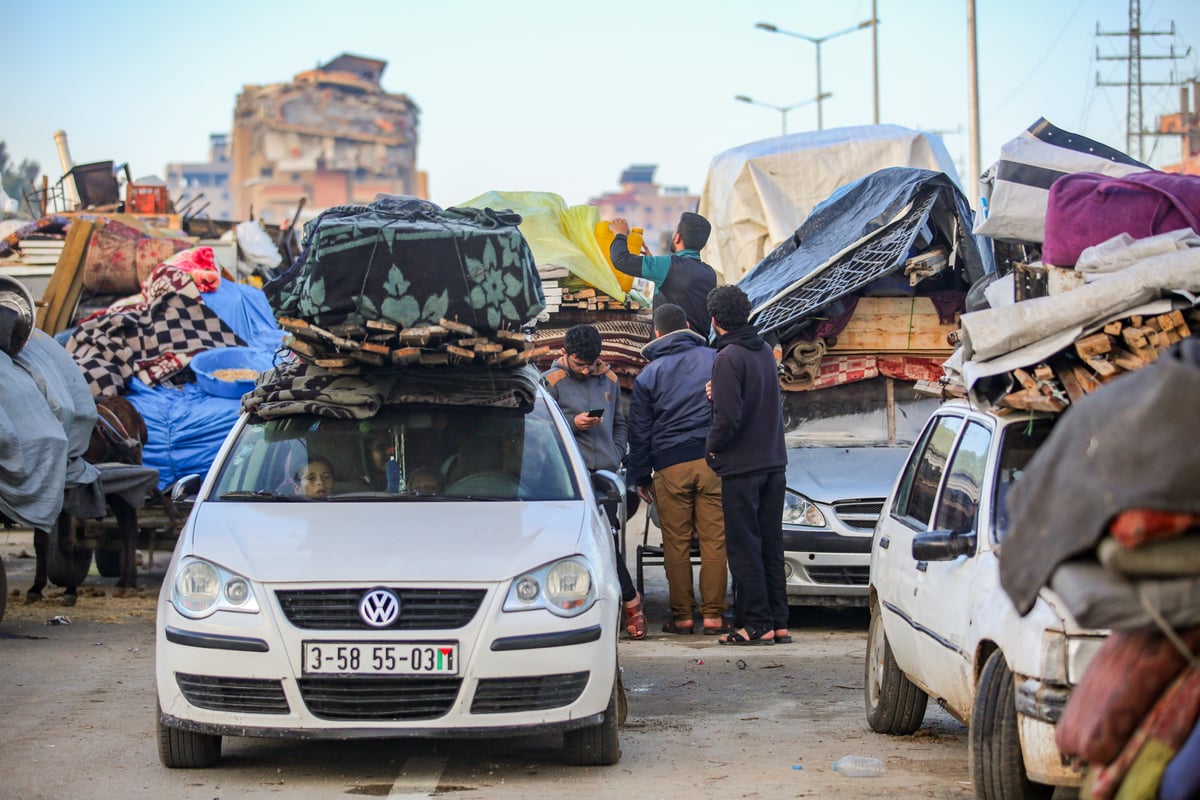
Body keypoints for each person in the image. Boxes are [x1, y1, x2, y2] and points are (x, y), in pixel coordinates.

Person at [627, 303, 728, 635]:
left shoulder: (648, 375)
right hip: (713, 461)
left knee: (676, 542)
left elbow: (639, 432)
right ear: (686, 324)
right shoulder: (714, 358)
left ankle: (682, 616)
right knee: (715, 540)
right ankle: (714, 616)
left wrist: (640, 477)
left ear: (656, 333)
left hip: (670, 466)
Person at [542, 324, 644, 639]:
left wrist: (615, 453)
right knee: (575, 544)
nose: (586, 370)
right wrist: (573, 423)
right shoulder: (549, 383)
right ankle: (628, 600)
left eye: (590, 363)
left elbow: (620, 423)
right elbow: (541, 431)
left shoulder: (609, 379)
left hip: (605, 476)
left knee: (608, 540)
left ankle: (622, 600)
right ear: (564, 355)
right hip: (569, 478)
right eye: (579, 364)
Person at [703, 285, 790, 646]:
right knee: (771, 542)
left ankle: (755, 623)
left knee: (744, 546)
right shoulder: (763, 352)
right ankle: (778, 621)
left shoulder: (728, 358)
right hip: (773, 462)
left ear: (714, 321)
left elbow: (729, 417)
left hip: (742, 467)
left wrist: (712, 449)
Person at [608, 212, 718, 340]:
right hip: (699, 347)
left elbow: (621, 260)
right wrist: (652, 262)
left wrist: (620, 235)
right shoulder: (709, 273)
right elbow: (680, 285)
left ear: (677, 238)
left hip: (671, 347)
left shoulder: (668, 265)